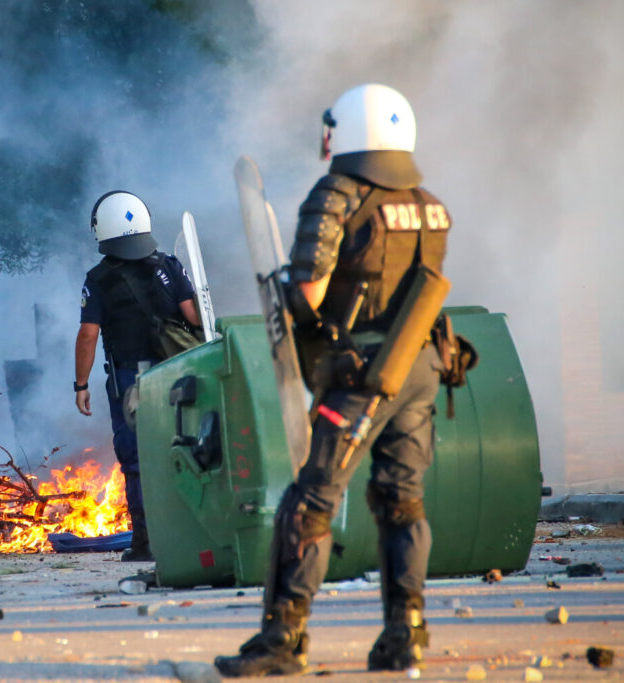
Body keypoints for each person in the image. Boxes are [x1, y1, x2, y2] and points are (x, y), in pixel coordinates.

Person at [215, 84, 452, 676]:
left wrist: (296, 312)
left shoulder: (338, 194)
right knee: (402, 502)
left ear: (348, 130)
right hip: (421, 368)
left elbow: (311, 292)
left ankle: (282, 641)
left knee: (310, 501)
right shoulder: (427, 203)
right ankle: (407, 635)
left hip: (362, 373)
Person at [73, 191, 201, 562]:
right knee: (184, 447)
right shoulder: (170, 266)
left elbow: (88, 334)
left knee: (137, 459)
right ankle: (190, 532)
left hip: (133, 382)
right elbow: (195, 317)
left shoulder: (98, 279)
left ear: (101, 230)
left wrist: (80, 385)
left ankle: (146, 541)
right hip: (176, 375)